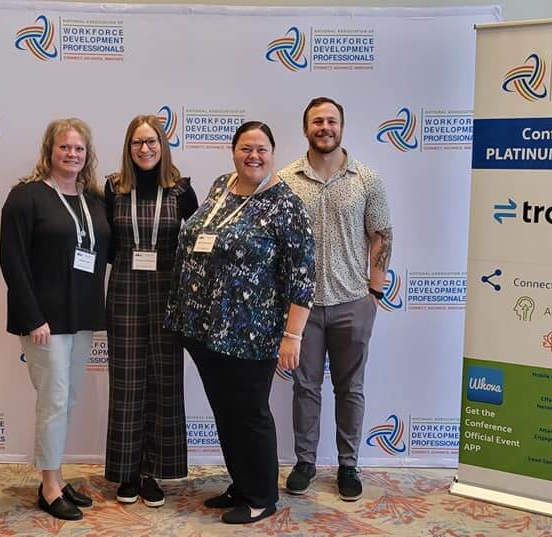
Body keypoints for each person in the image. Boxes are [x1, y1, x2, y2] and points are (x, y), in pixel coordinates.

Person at [166, 121, 315, 524]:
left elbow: (303, 277)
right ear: (233, 152)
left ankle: (262, 496)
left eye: (262, 149)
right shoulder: (221, 186)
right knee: (226, 412)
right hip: (204, 328)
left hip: (251, 332)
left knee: (250, 414)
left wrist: (292, 335)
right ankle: (242, 484)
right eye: (246, 148)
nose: (253, 156)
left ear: (273, 154)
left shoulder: (286, 204)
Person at [278, 97, 392, 501]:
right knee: (305, 388)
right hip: (302, 307)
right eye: (317, 121)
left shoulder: (367, 180)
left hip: (352, 302)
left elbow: (381, 236)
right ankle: (305, 462)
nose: (324, 127)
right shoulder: (285, 180)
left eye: (331, 121)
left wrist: (374, 292)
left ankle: (348, 465)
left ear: (341, 127)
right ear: (305, 128)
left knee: (351, 389)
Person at [0, 118, 110, 521]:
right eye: (64, 147)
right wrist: (32, 317)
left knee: (67, 399)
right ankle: (48, 487)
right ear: (49, 150)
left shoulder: (93, 199)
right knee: (54, 400)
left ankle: (57, 478)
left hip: (82, 316)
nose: (72, 154)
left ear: (87, 154)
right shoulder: (26, 196)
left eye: (79, 148)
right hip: (44, 320)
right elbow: (11, 259)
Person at [103, 115, 198, 507]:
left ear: (163, 145)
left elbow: (198, 245)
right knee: (127, 384)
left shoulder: (181, 190)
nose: (145, 149)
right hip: (124, 292)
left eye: (151, 142)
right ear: (129, 148)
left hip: (167, 295)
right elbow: (105, 245)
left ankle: (152, 471)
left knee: (164, 382)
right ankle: (127, 472)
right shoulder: (113, 188)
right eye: (137, 143)